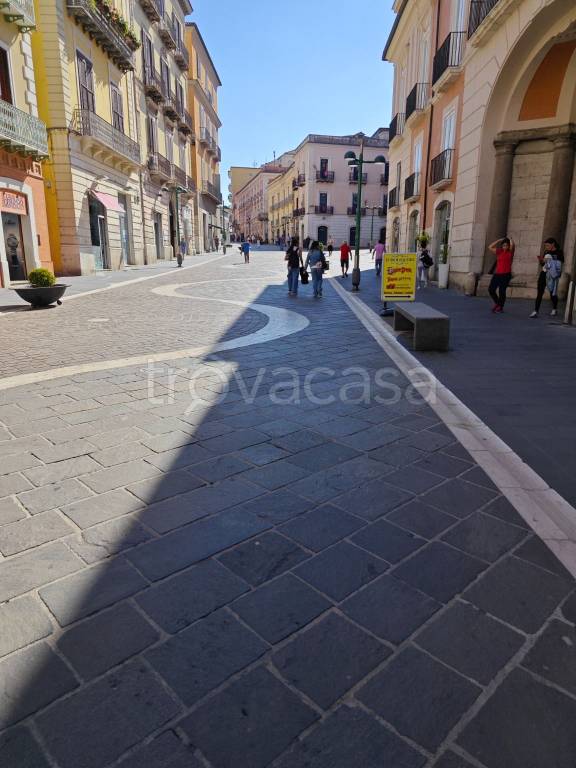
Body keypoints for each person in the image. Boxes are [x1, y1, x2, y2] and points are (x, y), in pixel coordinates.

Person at [530, 237, 564, 318]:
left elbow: (560, 263)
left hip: (552, 275)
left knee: (552, 293)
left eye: (548, 245)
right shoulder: (546, 252)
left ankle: (554, 308)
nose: (546, 247)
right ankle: (535, 311)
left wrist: (550, 261)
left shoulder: (559, 252)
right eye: (546, 246)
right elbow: (543, 265)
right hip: (544, 273)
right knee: (540, 292)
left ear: (553, 244)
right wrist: (541, 261)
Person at [488, 236, 515, 312]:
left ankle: (500, 307)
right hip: (497, 274)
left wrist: (510, 240)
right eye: (503, 245)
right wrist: (499, 240)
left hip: (506, 274)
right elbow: (490, 247)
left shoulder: (510, 253)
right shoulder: (499, 252)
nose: (505, 247)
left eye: (506, 245)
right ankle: (498, 303)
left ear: (508, 246)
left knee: (501, 291)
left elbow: (512, 245)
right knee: (491, 289)